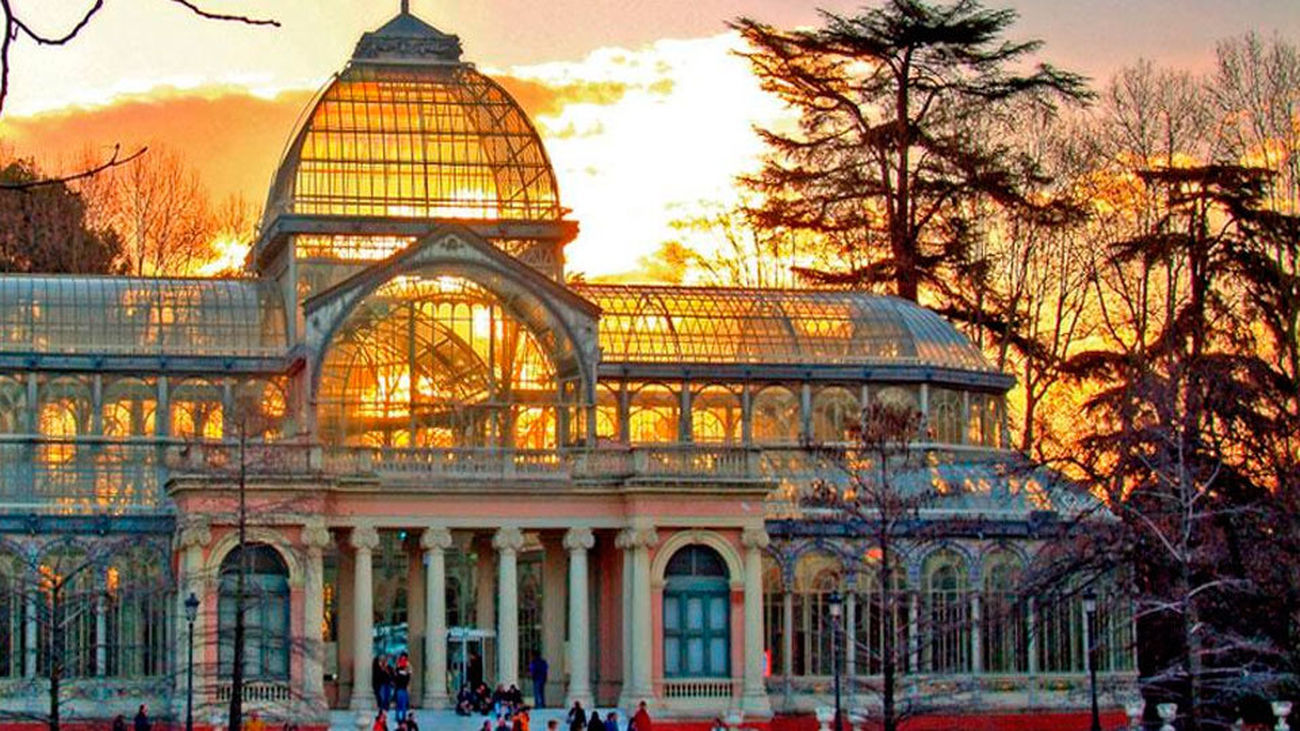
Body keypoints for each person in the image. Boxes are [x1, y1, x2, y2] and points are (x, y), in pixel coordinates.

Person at [393, 652, 413, 722]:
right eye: (402, 657)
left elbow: (409, 676)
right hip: (399, 688)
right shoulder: (398, 667)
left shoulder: (407, 667)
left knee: (403, 704)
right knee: (399, 704)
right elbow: (395, 676)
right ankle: (398, 717)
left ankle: (403, 717)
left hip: (404, 688)